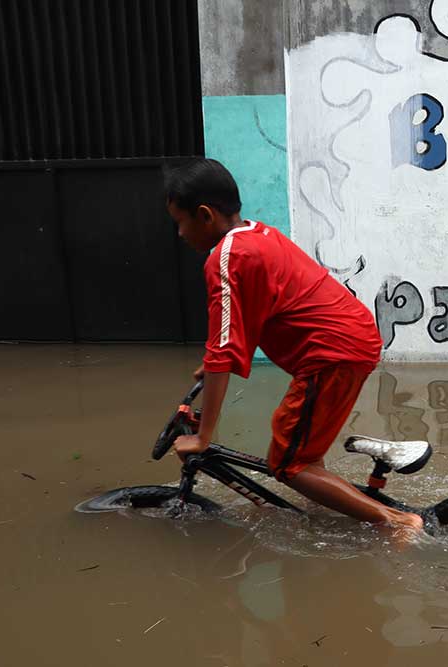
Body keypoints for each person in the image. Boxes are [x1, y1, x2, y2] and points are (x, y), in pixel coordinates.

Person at [164, 158, 423, 536]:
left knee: (289, 465)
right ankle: (349, 514)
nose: (180, 233)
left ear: (204, 215)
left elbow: (223, 352)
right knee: (305, 456)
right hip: (349, 341)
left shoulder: (226, 257)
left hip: (331, 353)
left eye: (180, 222)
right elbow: (243, 323)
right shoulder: (257, 235)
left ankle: (399, 524)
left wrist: (204, 436)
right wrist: (214, 364)